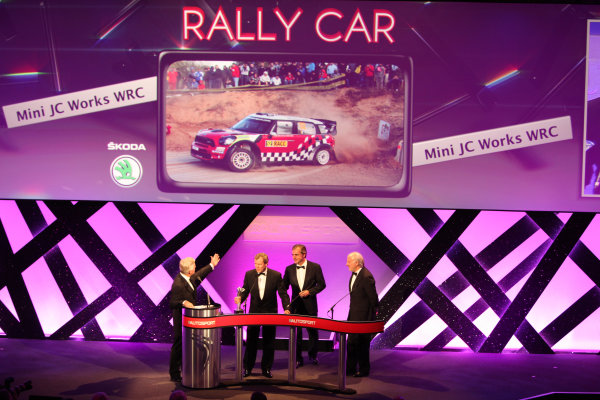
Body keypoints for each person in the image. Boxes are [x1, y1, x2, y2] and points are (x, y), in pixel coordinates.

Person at [234, 253, 290, 378]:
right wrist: (240, 299)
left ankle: (266, 369)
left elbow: (283, 293)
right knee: (251, 341)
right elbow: (245, 290)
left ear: (266, 264)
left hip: (270, 312)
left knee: (269, 341)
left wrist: (287, 307)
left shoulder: (276, 275)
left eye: (259, 264)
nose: (257, 266)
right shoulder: (249, 274)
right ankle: (248, 368)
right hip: (254, 312)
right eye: (255, 264)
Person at [168, 254, 220, 382]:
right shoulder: (178, 284)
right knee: (179, 345)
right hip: (181, 320)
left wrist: (212, 265)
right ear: (190, 270)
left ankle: (186, 369)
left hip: (189, 318)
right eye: (194, 267)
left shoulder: (187, 277)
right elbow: (172, 302)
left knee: (186, 345)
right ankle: (174, 373)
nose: (196, 268)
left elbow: (199, 274)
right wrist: (184, 302)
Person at [282, 244, 326, 367]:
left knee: (312, 332)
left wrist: (309, 292)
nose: (293, 257)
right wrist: (287, 306)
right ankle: (298, 358)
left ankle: (313, 355)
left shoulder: (315, 267)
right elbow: (283, 288)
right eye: (292, 254)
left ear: (304, 254)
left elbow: (322, 285)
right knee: (297, 333)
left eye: (296, 254)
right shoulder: (289, 269)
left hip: (310, 305)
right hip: (296, 306)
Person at [345, 252, 378, 378]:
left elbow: (373, 299)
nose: (346, 264)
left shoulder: (366, 276)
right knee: (352, 343)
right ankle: (350, 369)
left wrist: (369, 319)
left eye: (349, 261)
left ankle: (364, 370)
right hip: (354, 316)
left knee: (362, 344)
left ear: (357, 262)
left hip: (363, 318)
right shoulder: (354, 275)